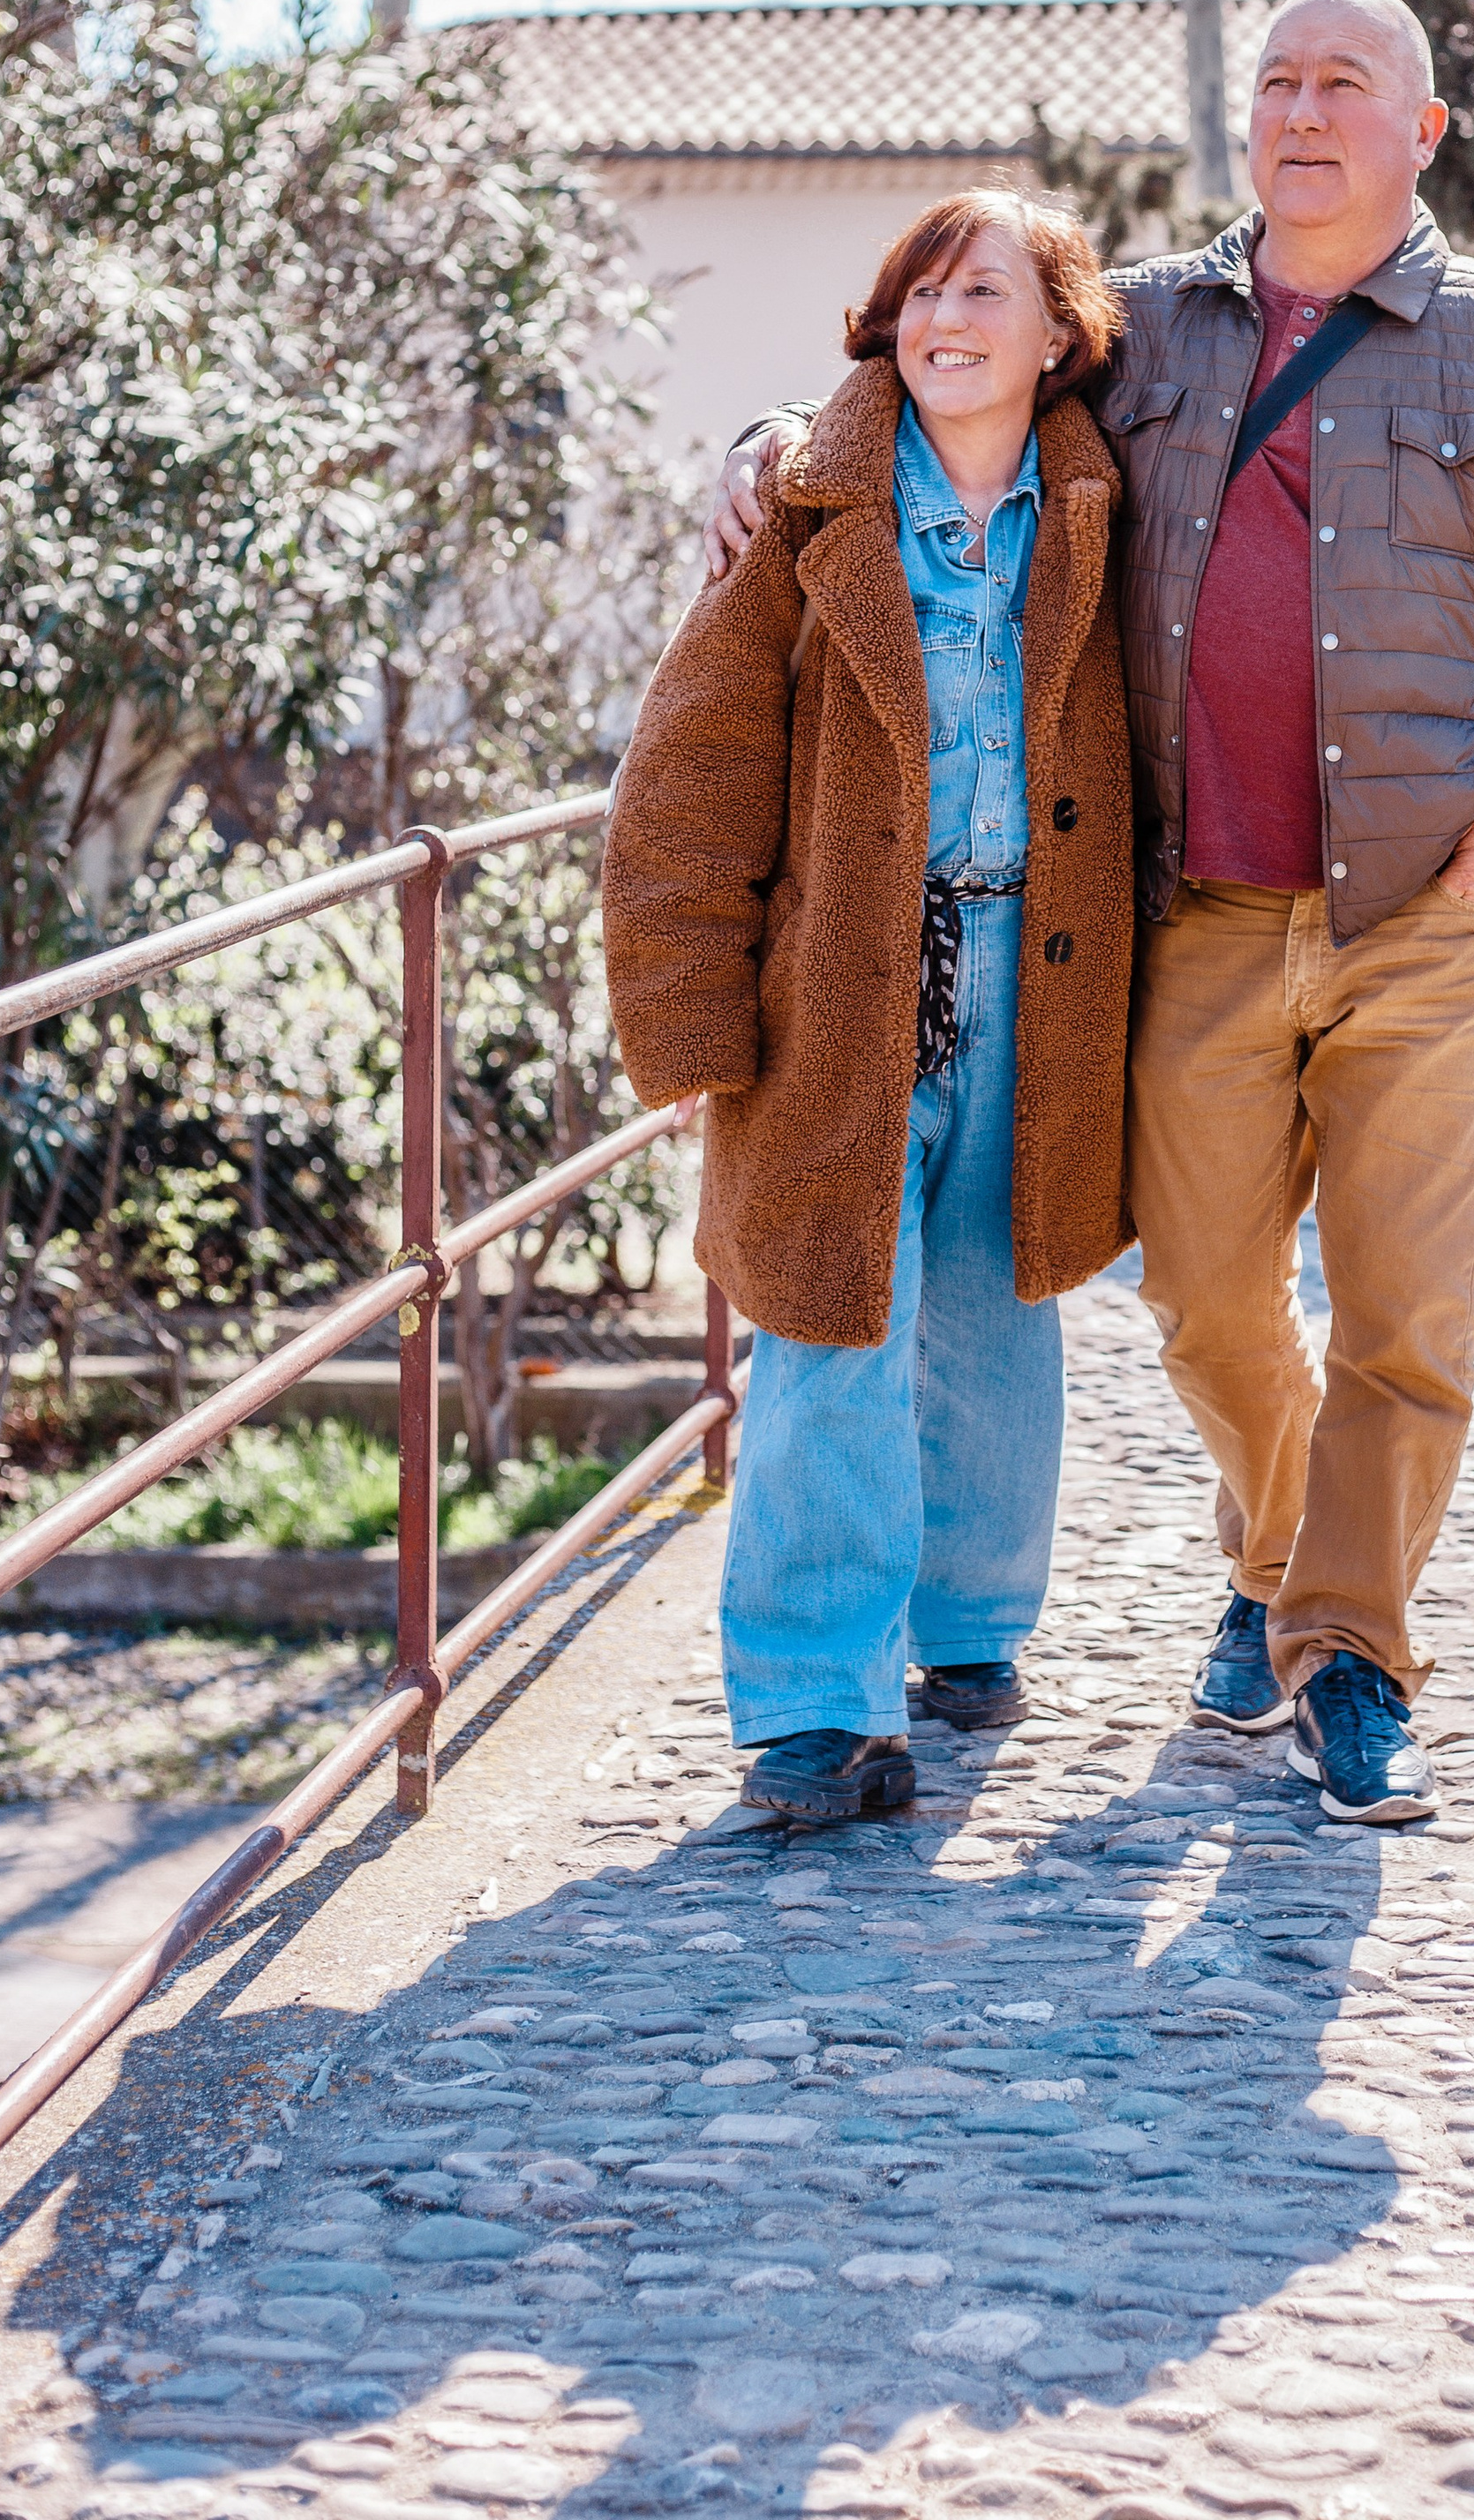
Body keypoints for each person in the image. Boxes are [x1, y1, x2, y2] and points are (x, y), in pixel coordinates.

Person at [705, 0, 1474, 1825]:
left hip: (1430, 913)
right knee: (1204, 1303)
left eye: (1346, 84)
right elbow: (932, 386)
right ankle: (1271, 1555)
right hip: (1193, 919)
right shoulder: (1142, 330)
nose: (1302, 112)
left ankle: (1349, 1655)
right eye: (1278, 81)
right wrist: (770, 430)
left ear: (1424, 127)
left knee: (1407, 1322)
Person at [605, 191, 1135, 1823]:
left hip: (1037, 975)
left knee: (995, 1304)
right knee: (833, 1321)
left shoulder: (1110, 506)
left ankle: (971, 1630)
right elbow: (685, 780)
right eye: (918, 292)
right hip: (843, 980)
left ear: (1061, 336)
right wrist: (687, 1023)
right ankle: (813, 1710)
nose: (944, 320)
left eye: (984, 292)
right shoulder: (809, 510)